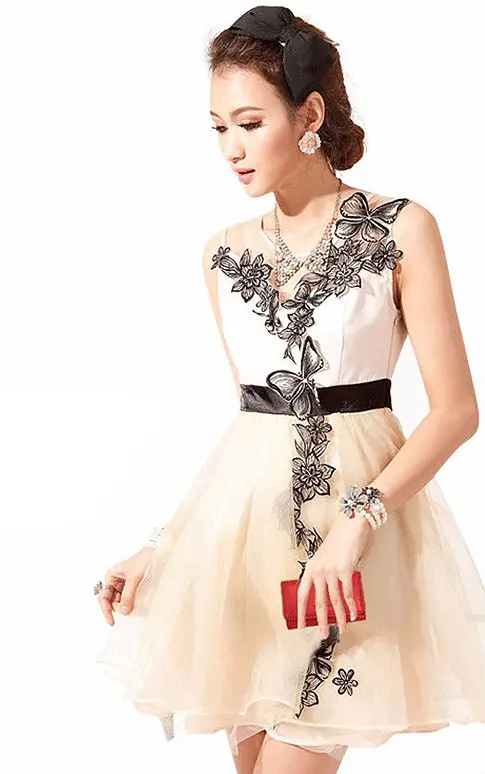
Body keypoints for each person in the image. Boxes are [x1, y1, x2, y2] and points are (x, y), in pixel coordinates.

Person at [93, 5, 485, 773]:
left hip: (352, 551)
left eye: (249, 123)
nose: (231, 149)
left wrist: (359, 521)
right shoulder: (222, 255)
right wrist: (165, 546)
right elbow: (254, 431)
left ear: (309, 115)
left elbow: (457, 412)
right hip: (245, 561)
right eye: (218, 128)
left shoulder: (400, 229)